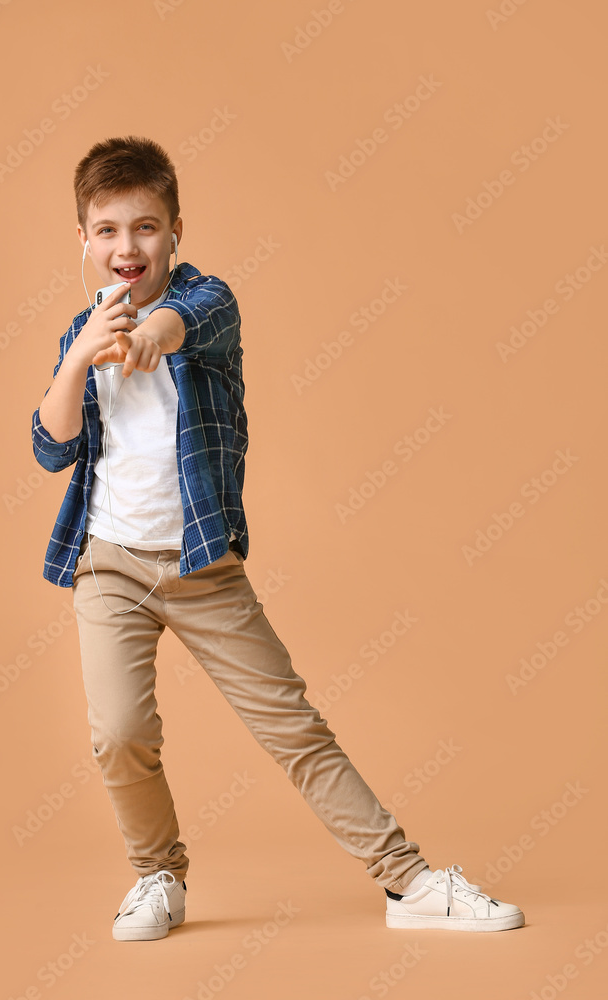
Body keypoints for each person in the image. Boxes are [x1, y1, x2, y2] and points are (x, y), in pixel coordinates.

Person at [30, 135, 525, 941]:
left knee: (291, 726)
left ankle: (411, 884)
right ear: (83, 240)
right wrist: (79, 359)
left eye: (147, 227)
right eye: (109, 229)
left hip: (199, 563)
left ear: (175, 230)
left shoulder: (206, 301)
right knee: (117, 733)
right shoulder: (76, 339)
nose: (128, 246)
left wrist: (147, 336)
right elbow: (51, 447)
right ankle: (157, 877)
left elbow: (183, 325)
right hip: (109, 565)